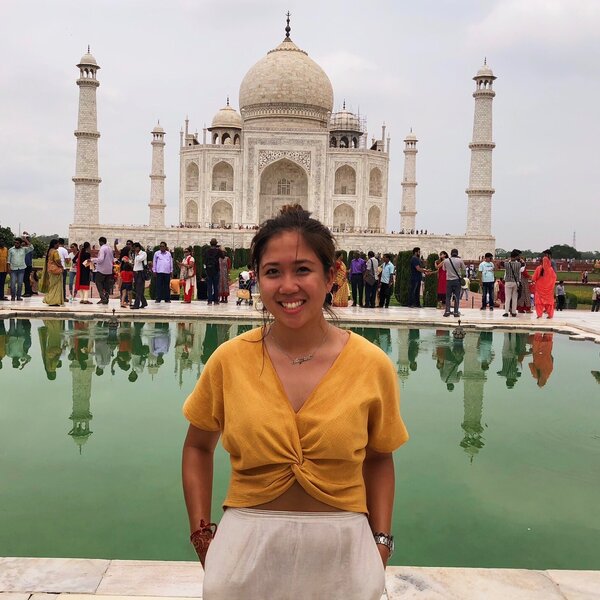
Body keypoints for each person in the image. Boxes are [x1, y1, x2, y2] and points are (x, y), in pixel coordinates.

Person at [182, 205, 408, 600]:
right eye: (273, 272)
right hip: (244, 550)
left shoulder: (371, 364)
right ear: (257, 278)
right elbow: (198, 447)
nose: (288, 286)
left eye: (303, 269)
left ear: (331, 275)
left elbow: (379, 457)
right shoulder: (230, 359)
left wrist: (381, 544)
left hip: (343, 552)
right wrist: (204, 537)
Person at [39, 239, 65, 307]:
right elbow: (57, 260)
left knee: (52, 286)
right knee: (56, 286)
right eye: (57, 244)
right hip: (56, 270)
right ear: (54, 244)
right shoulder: (55, 251)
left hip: (50, 270)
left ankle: (51, 299)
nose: (58, 245)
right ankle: (54, 300)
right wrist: (61, 266)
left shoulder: (50, 251)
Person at [7, 236, 34, 301]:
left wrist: (26, 240)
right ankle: (13, 296)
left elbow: (31, 247)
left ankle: (18, 297)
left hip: (21, 268)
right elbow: (8, 260)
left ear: (20, 243)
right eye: (15, 243)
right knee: (13, 284)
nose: (16, 244)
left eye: (17, 243)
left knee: (20, 283)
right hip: (13, 269)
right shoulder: (11, 250)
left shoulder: (24, 249)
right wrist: (8, 269)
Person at [532, 255, 557, 319]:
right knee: (549, 303)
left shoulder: (539, 268)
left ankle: (539, 315)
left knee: (539, 303)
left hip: (539, 289)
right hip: (548, 290)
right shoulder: (551, 269)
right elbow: (554, 278)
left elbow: (534, 278)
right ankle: (550, 315)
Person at [442, 249, 466, 317]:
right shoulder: (460, 260)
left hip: (449, 280)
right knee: (457, 296)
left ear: (451, 253)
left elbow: (444, 269)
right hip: (457, 280)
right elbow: (464, 268)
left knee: (448, 297)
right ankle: (455, 312)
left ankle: (447, 311)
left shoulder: (446, 260)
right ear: (457, 253)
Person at [91, 236, 114, 305]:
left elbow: (101, 259)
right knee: (107, 285)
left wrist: (92, 259)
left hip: (102, 270)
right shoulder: (110, 248)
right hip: (109, 270)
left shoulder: (102, 249)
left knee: (98, 282)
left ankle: (103, 298)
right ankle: (106, 298)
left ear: (101, 242)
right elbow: (112, 259)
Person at [503, 249, 522, 317]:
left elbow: (499, 264)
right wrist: (520, 259)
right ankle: (514, 312)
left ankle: (506, 312)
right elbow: (524, 265)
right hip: (516, 282)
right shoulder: (519, 264)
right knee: (514, 298)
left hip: (508, 282)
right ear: (516, 256)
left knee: (507, 298)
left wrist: (507, 260)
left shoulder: (507, 264)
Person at [131, 242, 148, 310]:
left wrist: (136, 254)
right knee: (137, 289)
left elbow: (139, 259)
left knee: (139, 289)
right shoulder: (135, 254)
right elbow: (134, 263)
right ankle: (144, 302)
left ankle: (136, 305)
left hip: (141, 273)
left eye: (135, 248)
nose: (134, 249)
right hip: (136, 273)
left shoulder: (143, 253)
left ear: (138, 247)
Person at [204, 238, 220, 305]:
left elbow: (205, 260)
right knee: (216, 286)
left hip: (209, 270)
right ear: (216, 244)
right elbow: (222, 256)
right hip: (216, 270)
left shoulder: (207, 251)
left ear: (210, 243)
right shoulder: (218, 251)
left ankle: (209, 301)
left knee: (209, 286)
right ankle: (216, 301)